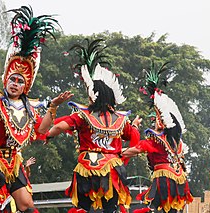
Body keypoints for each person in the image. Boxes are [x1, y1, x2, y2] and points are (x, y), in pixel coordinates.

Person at [0, 6, 73, 213]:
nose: (15, 83)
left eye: (20, 81)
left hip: (13, 160)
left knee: (26, 205)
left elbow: (42, 130)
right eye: (12, 78)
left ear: (25, 86)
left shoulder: (30, 108)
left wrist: (53, 107)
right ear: (6, 79)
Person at [46, 39, 141, 213]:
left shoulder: (83, 116)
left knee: (82, 208)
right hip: (112, 168)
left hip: (87, 167)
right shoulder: (120, 120)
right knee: (110, 209)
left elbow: (59, 127)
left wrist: (49, 134)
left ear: (92, 95)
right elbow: (133, 139)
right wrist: (128, 140)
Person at [122, 62, 193, 213]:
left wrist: (112, 154)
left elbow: (133, 151)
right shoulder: (177, 142)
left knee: (153, 208)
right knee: (169, 209)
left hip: (164, 180)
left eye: (155, 120)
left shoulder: (155, 140)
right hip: (179, 179)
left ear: (161, 122)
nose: (153, 123)